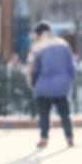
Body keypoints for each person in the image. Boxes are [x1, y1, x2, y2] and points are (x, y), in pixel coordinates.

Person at [26, 20, 76, 148]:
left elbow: (34, 68)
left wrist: (33, 83)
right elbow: (71, 66)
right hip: (61, 87)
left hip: (43, 87)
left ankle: (44, 137)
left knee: (44, 114)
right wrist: (68, 80)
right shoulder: (63, 44)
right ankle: (69, 137)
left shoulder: (38, 47)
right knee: (65, 114)